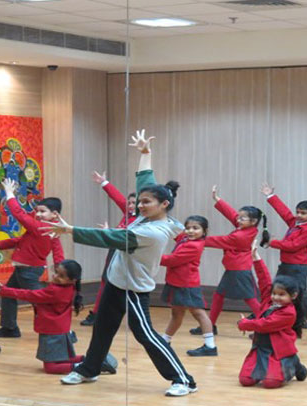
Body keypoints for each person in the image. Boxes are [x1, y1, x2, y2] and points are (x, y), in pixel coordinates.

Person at [42, 129, 197, 396]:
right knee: (102, 329)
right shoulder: (149, 216)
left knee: (145, 335)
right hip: (116, 283)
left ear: (164, 204)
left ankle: (184, 379)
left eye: (147, 202)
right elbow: (145, 182)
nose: (140, 206)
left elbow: (110, 237)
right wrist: (145, 154)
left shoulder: (152, 231)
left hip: (134, 290)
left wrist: (70, 230)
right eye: (141, 202)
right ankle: (89, 369)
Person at [0, 259, 117, 375]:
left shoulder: (55, 291)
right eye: (56, 273)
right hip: (60, 330)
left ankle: (90, 366)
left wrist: (6, 291)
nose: (55, 277)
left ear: (72, 280)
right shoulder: (70, 288)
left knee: (50, 367)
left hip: (52, 332)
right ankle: (93, 361)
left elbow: (30, 294)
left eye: (61, 276)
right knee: (63, 358)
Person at [0, 178, 65, 338]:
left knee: (41, 300)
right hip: (24, 269)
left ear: (54, 215)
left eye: (42, 211)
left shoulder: (43, 227)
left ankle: (61, 330)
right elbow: (20, 241)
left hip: (29, 271)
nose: (38, 214)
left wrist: (10, 194)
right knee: (8, 294)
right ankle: (9, 328)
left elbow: (19, 214)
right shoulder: (49, 229)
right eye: (37, 211)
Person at [191, 185, 269, 335]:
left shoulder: (239, 236)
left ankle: (266, 326)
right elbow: (231, 214)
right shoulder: (247, 228)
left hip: (239, 271)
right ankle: (210, 326)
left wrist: (196, 238)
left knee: (251, 300)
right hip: (233, 269)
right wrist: (217, 199)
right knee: (219, 296)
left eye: (242, 218)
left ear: (253, 221)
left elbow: (218, 241)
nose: (238, 219)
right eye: (239, 217)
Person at [237, 241, 307, 389]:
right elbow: (264, 279)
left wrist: (245, 324)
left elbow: (266, 324)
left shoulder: (288, 313)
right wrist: (256, 257)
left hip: (278, 351)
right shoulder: (269, 300)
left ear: (293, 296)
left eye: (281, 295)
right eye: (274, 293)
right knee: (245, 380)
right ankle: (287, 363)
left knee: (270, 383)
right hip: (260, 348)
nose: (275, 297)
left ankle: (294, 363)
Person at [259, 181, 307, 328]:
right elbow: (284, 212)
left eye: (303, 213)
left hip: (298, 266)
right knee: (278, 287)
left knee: (299, 293)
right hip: (287, 264)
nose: (299, 215)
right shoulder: (295, 223)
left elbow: (293, 246)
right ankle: (275, 314)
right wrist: (270, 195)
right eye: (298, 212)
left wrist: (272, 242)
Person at [81, 171, 137, 327]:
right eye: (130, 202)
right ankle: (97, 314)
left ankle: (129, 316)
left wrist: (109, 231)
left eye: (134, 203)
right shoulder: (128, 212)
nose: (131, 205)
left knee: (128, 286)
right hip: (115, 252)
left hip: (129, 255)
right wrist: (104, 183)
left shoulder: (141, 220)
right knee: (106, 282)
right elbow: (118, 198)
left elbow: (127, 236)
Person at [159, 215, 218, 356]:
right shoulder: (185, 239)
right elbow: (176, 232)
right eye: (188, 228)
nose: (191, 231)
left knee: (198, 313)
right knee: (176, 313)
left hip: (187, 285)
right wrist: (163, 217)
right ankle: (165, 341)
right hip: (177, 283)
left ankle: (210, 346)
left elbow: (172, 260)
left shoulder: (194, 245)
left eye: (195, 228)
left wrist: (150, 256)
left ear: (205, 231)